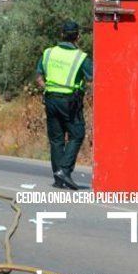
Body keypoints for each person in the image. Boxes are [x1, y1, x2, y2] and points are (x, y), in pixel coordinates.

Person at [36, 20, 93, 190]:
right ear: (77, 36)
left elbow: (39, 77)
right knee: (77, 134)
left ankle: (58, 178)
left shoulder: (48, 53)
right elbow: (91, 77)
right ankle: (65, 170)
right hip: (70, 102)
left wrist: (48, 88)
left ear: (61, 35)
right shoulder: (80, 57)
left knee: (56, 139)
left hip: (50, 99)